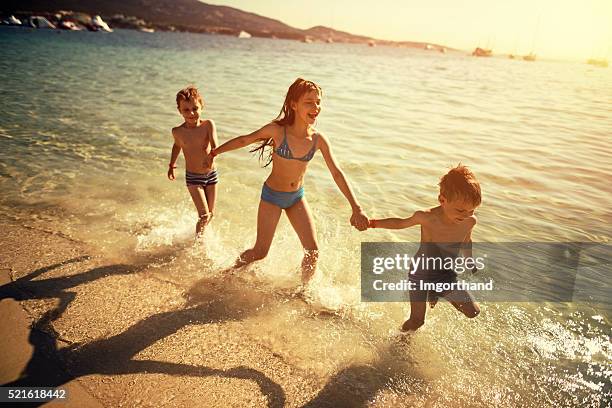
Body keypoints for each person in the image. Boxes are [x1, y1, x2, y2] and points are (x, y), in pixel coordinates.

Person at [210, 78, 369, 287]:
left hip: (296, 198)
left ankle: (305, 292)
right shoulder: (277, 131)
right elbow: (244, 140)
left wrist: (355, 207)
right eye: (308, 102)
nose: (315, 107)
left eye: (318, 102)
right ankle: (225, 275)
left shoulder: (318, 140)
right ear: (293, 105)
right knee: (260, 252)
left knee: (312, 252)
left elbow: (337, 173)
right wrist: (215, 152)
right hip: (272, 197)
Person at [367, 165, 482, 331]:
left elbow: (466, 241)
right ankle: (398, 341)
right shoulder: (427, 217)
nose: (466, 215)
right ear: (442, 200)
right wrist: (373, 223)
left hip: (445, 273)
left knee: (473, 311)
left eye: (471, 210)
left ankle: (436, 292)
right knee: (417, 321)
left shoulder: (470, 221)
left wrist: (469, 261)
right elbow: (400, 223)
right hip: (421, 273)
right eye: (460, 210)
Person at [168, 86, 218, 237]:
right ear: (180, 111)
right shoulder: (178, 131)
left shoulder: (208, 125)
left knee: (211, 214)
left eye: (195, 108)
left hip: (211, 175)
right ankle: (198, 247)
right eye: (186, 110)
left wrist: (212, 156)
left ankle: (202, 237)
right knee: (204, 216)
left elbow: (215, 145)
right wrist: (171, 165)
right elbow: (177, 145)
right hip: (193, 177)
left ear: (201, 106)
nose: (191, 113)